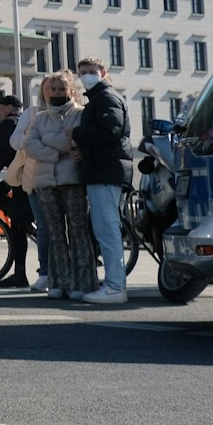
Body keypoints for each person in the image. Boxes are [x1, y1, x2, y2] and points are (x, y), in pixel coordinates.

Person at [20, 71, 93, 299]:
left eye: (61, 89)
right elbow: (28, 144)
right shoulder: (40, 117)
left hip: (72, 181)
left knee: (78, 231)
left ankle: (83, 283)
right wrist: (57, 150)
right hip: (45, 182)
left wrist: (50, 141)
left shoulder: (80, 115)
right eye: (53, 89)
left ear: (71, 91)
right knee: (55, 233)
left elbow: (72, 140)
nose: (57, 93)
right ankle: (58, 282)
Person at [73, 58, 135, 305]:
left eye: (91, 72)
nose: (87, 76)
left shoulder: (106, 97)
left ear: (103, 73)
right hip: (104, 169)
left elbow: (112, 130)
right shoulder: (101, 98)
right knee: (105, 229)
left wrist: (77, 134)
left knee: (107, 230)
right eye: (83, 73)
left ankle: (114, 286)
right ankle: (114, 284)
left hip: (106, 171)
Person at [0, 94, 32, 287]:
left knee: (17, 226)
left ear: (10, 107)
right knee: (23, 222)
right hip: (25, 177)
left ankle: (20, 274)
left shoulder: (10, 124)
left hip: (21, 179)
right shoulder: (22, 121)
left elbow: (1, 155)